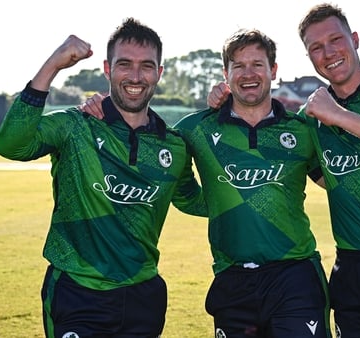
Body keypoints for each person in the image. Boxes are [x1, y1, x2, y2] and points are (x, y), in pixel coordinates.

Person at [207, 3, 360, 337]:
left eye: (336, 40)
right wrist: (224, 96)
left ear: (355, 40)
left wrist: (340, 116)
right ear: (309, 58)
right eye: (316, 48)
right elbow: (318, 174)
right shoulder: (309, 119)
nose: (328, 52)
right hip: (349, 268)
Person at [82, 28, 332, 338]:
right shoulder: (194, 129)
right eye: (238, 66)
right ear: (225, 74)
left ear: (274, 71)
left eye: (257, 64)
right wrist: (224, 204)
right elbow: (180, 189)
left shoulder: (302, 130)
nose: (248, 73)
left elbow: (335, 181)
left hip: (296, 275)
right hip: (232, 278)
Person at [0, 18, 206, 338]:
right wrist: (53, 65)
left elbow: (192, 199)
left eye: (146, 66)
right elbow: (11, 145)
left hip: (143, 295)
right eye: (125, 64)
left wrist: (265, 182)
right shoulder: (77, 126)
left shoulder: (173, 144)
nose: (135, 76)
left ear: (159, 73)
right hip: (78, 292)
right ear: (107, 69)